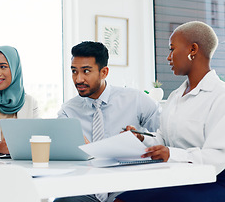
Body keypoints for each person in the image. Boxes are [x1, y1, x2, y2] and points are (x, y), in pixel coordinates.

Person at [116, 21, 225, 202]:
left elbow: (217, 156)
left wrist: (171, 154)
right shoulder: (175, 96)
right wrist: (142, 138)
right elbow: (164, 139)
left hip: (213, 182)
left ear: (193, 50)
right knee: (121, 198)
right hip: (177, 177)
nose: (168, 57)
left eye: (172, 49)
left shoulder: (220, 95)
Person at [55, 41, 161, 202]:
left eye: (86, 71)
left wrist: (140, 138)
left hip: (127, 188)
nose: (78, 79)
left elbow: (163, 138)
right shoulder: (67, 111)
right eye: (74, 71)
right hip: (86, 189)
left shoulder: (136, 100)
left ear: (104, 72)